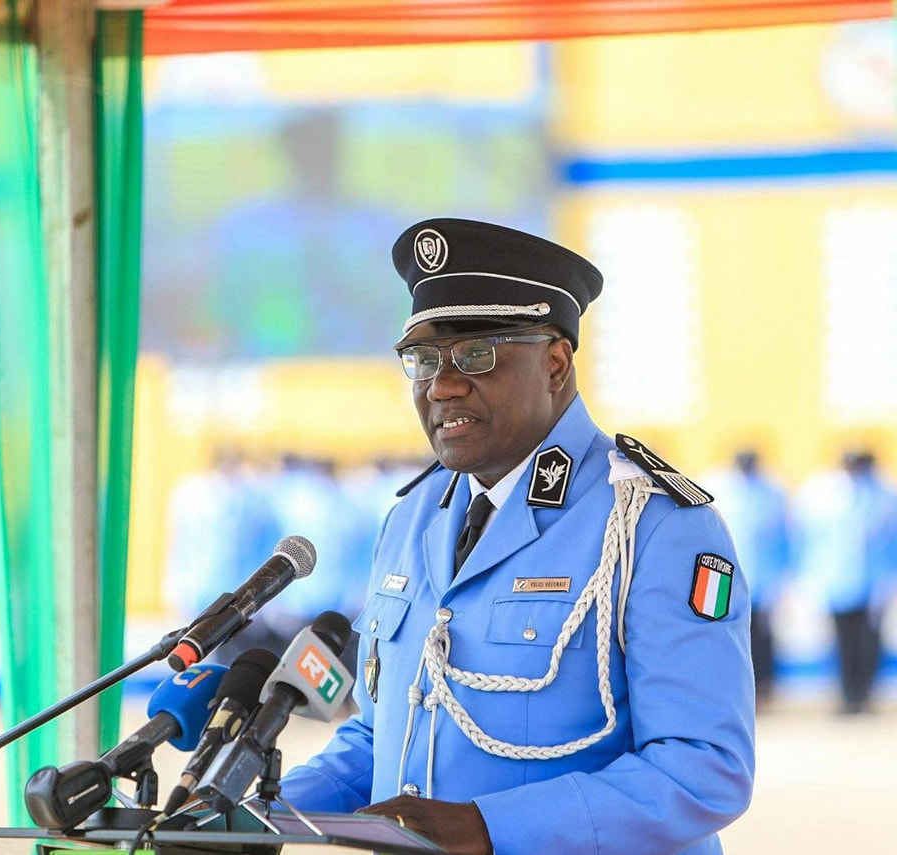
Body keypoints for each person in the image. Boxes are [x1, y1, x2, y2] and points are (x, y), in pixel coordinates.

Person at [278, 218, 755, 854]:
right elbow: (385, 734)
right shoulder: (413, 516)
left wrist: (489, 827)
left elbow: (705, 770)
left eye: (475, 355)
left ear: (555, 363)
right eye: (423, 361)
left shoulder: (654, 524)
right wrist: (262, 812)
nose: (441, 385)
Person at [794, 449, 897, 714]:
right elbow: (811, 538)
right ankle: (847, 695)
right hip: (837, 580)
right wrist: (810, 576)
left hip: (873, 581)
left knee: (869, 639)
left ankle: (864, 693)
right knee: (841, 639)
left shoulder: (885, 494)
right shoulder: (824, 494)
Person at [702, 449, 792, 708]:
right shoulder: (718, 486)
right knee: (727, 636)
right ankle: (733, 692)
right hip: (725, 577)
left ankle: (763, 690)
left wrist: (782, 578)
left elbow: (784, 536)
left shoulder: (773, 491)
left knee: (762, 638)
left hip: (763, 579)